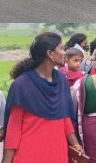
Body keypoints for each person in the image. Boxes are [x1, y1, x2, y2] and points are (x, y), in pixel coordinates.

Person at [3, 32, 82, 163]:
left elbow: (64, 116)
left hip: (58, 153)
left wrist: (75, 144)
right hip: (29, 155)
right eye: (61, 48)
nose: (64, 52)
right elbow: (14, 128)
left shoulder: (61, 80)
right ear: (50, 54)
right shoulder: (21, 85)